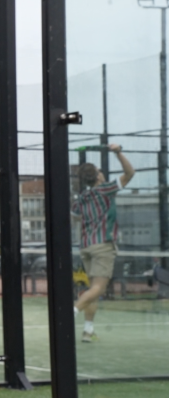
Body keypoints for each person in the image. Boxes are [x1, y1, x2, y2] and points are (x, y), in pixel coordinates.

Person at [71, 143, 134, 343]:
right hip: (102, 246)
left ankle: (88, 331)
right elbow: (130, 173)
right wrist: (118, 152)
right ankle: (71, 313)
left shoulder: (83, 197)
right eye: (99, 171)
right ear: (98, 177)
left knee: (93, 290)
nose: (102, 172)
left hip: (86, 247)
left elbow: (75, 216)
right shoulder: (106, 189)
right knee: (98, 288)